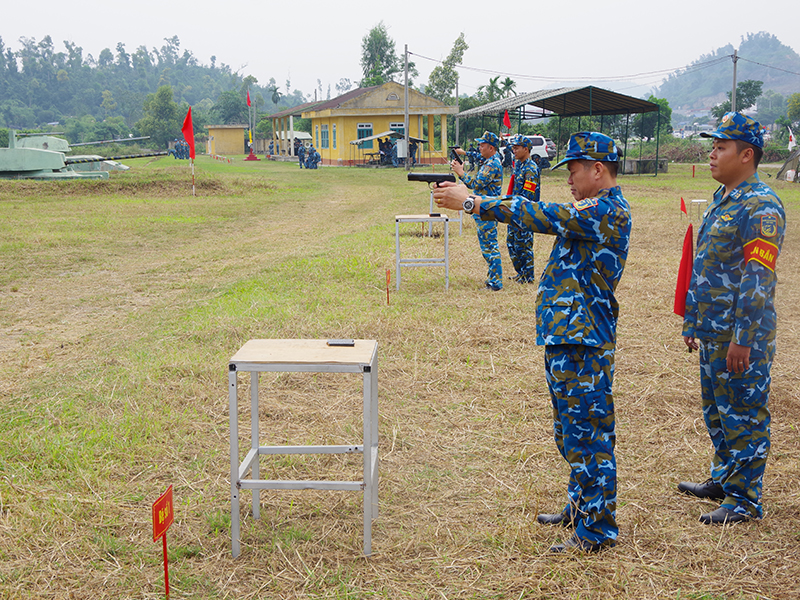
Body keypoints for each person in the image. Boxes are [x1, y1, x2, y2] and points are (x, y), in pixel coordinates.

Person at [434, 132, 631, 553]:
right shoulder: (593, 209)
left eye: (574, 171)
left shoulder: (606, 210)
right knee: (570, 433)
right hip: (568, 336)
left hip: (583, 340)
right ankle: (580, 507)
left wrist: (473, 202)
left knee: (588, 435)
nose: (569, 180)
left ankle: (598, 529)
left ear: (598, 170)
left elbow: (538, 213)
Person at [679, 112, 786, 525]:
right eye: (712, 146)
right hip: (713, 330)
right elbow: (706, 266)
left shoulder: (761, 206)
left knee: (743, 414)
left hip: (742, 336)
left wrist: (743, 338)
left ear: (746, 155)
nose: (711, 154)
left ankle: (744, 500)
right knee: (718, 411)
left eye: (720, 147)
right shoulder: (724, 199)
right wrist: (693, 322)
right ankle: (724, 479)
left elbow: (758, 278)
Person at [452, 131, 504, 290]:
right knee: (487, 246)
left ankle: (495, 282)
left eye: (482, 145)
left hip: (488, 209)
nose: (479, 148)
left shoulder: (492, 164)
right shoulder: (491, 159)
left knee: (490, 246)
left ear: (491, 148)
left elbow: (476, 184)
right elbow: (477, 155)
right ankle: (493, 278)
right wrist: (463, 153)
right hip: (484, 209)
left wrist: (461, 172)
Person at [506, 134, 539, 283]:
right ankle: (521, 273)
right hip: (514, 210)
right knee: (512, 243)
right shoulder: (519, 166)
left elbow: (528, 194)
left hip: (525, 212)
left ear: (526, 149)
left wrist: (521, 212)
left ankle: (528, 276)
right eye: (513, 148)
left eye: (517, 148)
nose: (514, 150)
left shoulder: (530, 169)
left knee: (524, 244)